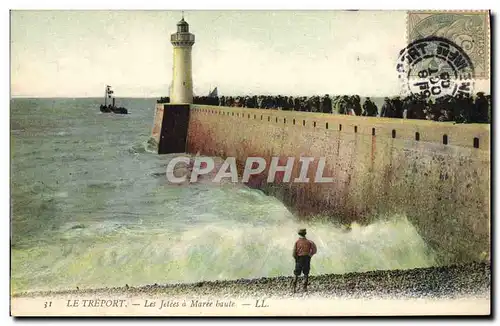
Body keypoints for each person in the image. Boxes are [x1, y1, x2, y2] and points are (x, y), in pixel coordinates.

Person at [292, 228, 317, 293]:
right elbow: (314, 250)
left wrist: (296, 258)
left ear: (299, 234)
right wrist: (310, 255)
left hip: (299, 258)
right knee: (306, 273)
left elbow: (294, 253)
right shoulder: (310, 242)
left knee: (296, 273)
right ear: (305, 234)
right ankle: (305, 288)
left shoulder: (297, 242)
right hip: (307, 258)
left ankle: (294, 288)